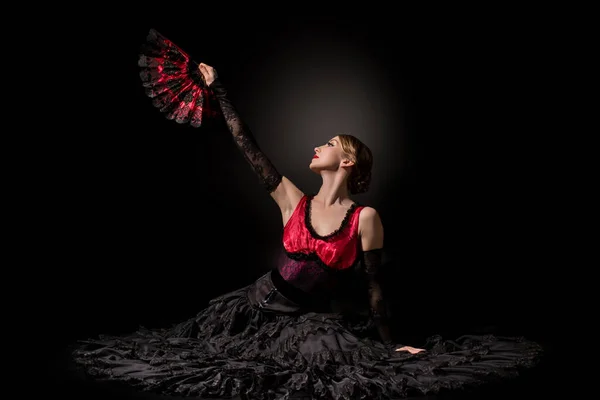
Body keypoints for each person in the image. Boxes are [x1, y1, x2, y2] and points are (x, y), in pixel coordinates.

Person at [69, 32, 543, 400]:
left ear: (348, 161)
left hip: (304, 320)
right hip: (250, 307)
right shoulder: (291, 199)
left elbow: (375, 286)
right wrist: (222, 91)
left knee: (324, 365)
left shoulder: (365, 218)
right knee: (189, 355)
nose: (319, 146)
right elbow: (246, 145)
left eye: (331, 144)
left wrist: (389, 342)